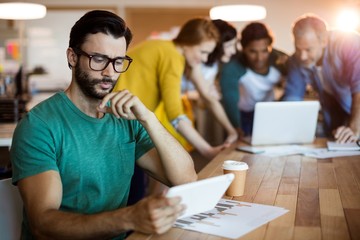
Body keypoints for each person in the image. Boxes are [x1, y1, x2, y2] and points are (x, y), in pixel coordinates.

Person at [10, 10, 197, 240]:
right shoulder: (39, 125)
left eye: (118, 61)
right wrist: (129, 218)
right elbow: (43, 223)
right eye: (98, 59)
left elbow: (186, 180)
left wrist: (148, 118)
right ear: (72, 57)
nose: (110, 72)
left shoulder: (126, 118)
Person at [114, 18, 237, 160]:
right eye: (203, 52)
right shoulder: (173, 56)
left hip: (123, 116)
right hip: (120, 119)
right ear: (188, 43)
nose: (204, 59)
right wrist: (207, 150)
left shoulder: (164, 47)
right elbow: (175, 115)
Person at [283, 14, 360, 143]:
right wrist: (288, 131)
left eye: (308, 49)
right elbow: (292, 99)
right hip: (336, 115)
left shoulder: (350, 43)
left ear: (324, 41)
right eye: (298, 49)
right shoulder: (295, 61)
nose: (302, 56)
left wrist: (355, 127)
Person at [220, 22, 288, 136]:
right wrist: (236, 127)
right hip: (243, 115)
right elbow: (230, 101)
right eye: (252, 52)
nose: (259, 58)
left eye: (265, 51)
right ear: (243, 48)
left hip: (271, 112)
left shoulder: (281, 61)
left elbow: (294, 85)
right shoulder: (233, 67)